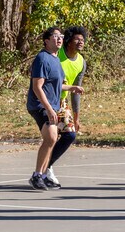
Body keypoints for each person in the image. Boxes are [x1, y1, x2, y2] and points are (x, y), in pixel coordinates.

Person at [27, 27, 84, 190]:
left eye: (61, 36)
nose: (60, 39)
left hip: (52, 105)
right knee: (52, 137)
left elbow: (57, 85)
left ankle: (43, 174)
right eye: (56, 36)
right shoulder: (42, 59)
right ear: (47, 40)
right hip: (39, 105)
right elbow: (37, 87)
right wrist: (49, 109)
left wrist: (71, 87)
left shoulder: (55, 59)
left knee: (57, 137)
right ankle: (37, 175)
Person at [43, 26, 88, 187]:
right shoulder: (57, 54)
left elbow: (76, 91)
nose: (80, 42)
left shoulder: (81, 62)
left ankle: (46, 167)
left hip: (62, 102)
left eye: (82, 39)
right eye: (77, 39)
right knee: (51, 138)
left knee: (70, 135)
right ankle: (42, 172)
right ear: (68, 41)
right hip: (47, 100)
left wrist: (76, 117)